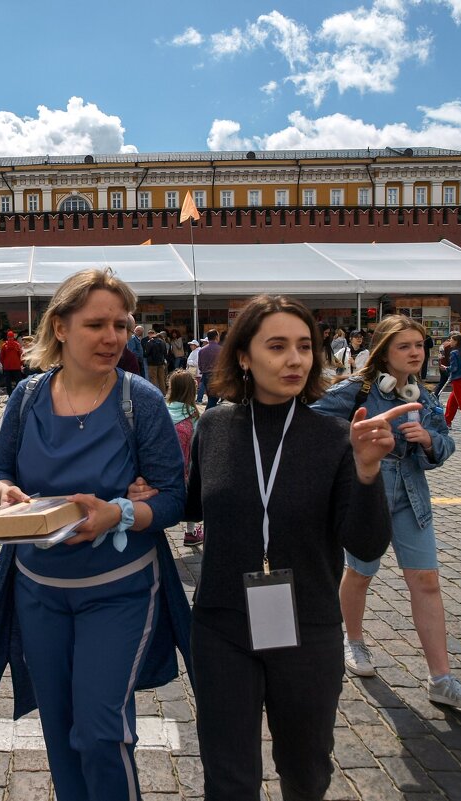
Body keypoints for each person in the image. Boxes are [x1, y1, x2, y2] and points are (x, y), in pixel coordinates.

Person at [0, 268, 191, 801]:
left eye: (121, 324)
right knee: (59, 734)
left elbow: (172, 499)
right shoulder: (27, 397)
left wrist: (118, 513)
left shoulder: (139, 400)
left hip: (120, 591)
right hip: (38, 591)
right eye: (96, 324)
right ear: (61, 328)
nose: (113, 337)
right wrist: (5, 493)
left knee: (99, 732)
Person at [161, 296, 400, 800]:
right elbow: (197, 504)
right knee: (228, 778)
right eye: (277, 346)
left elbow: (366, 541)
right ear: (243, 356)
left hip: (307, 626)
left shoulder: (335, 438)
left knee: (306, 770)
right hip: (221, 625)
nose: (295, 359)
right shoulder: (215, 427)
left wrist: (367, 471)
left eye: (304, 347)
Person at [313, 315, 461, 712]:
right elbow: (310, 423)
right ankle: (354, 641)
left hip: (412, 496)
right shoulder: (355, 390)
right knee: (359, 573)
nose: (415, 353)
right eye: (404, 346)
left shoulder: (422, 395)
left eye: (419, 345)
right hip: (368, 493)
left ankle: (441, 678)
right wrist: (356, 444)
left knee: (426, 580)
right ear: (384, 351)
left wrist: (430, 441)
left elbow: (444, 446)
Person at [165, 368, 203, 546]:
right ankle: (190, 532)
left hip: (163, 467)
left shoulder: (163, 410)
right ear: (191, 390)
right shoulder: (193, 415)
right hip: (186, 469)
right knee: (192, 496)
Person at [196, 329, 221, 405]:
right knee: (214, 399)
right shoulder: (221, 349)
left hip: (206, 375)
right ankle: (207, 413)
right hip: (217, 375)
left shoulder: (201, 350)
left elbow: (200, 365)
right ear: (216, 337)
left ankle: (210, 412)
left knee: (211, 397)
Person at [0, 330, 24, 396]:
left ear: (7, 337)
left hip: (7, 367)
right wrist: (20, 364)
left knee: (8, 382)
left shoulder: (4, 345)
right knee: (18, 381)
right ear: (13, 337)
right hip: (16, 366)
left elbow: (1, 357)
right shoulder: (17, 345)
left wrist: (4, 364)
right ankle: (18, 394)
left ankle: (10, 395)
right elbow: (20, 355)